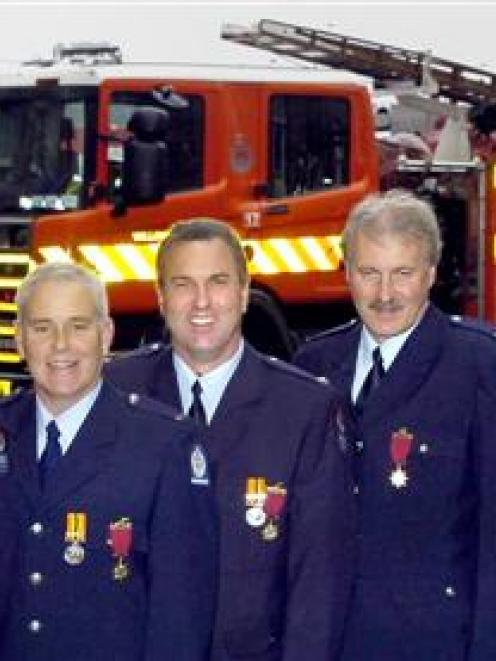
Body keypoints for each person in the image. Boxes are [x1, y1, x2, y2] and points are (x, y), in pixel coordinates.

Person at [105, 218, 356, 661]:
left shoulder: (305, 409)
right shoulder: (114, 392)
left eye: (218, 282)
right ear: (161, 299)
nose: (201, 302)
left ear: (243, 294)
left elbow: (318, 582)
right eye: (183, 284)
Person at [293, 189, 496, 660]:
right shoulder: (314, 364)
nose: (385, 295)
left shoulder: (479, 367)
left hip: (436, 640)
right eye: (369, 273)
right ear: (346, 274)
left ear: (430, 274)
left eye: (402, 274)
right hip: (334, 640)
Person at [0, 262, 217, 661]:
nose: (60, 345)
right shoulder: (5, 429)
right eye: (42, 328)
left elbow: (181, 613)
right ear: (19, 341)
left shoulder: (163, 444)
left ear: (106, 336)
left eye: (79, 326)